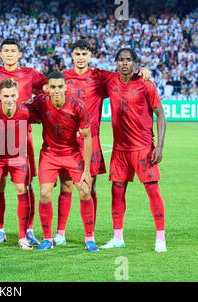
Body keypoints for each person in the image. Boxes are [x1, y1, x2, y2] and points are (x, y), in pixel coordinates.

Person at [52, 39, 152, 246]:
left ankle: (91, 235)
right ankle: (60, 233)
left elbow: (124, 75)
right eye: (77, 54)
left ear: (90, 55)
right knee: (66, 186)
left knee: (89, 188)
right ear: (72, 56)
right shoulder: (63, 77)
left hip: (91, 139)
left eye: (84, 54)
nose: (81, 58)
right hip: (68, 141)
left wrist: (142, 70)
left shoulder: (100, 77)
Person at [0, 38, 47, 245]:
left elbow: (48, 87)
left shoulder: (30, 74)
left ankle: (29, 229)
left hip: (24, 136)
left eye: (13, 50)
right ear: (0, 53)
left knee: (26, 185)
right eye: (5, 50)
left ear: (19, 54)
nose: (9, 54)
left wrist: (36, 102)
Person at [100, 48, 167, 253]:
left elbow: (161, 115)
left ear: (135, 62)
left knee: (153, 191)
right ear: (116, 63)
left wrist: (160, 146)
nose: (125, 63)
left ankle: (160, 238)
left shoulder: (146, 84)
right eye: (121, 60)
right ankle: (118, 237)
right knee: (117, 192)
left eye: (129, 60)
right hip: (120, 150)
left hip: (143, 148)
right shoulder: (111, 82)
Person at [27, 71, 98, 252]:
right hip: (50, 154)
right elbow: (22, 108)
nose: (57, 90)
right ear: (47, 89)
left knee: (84, 190)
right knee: (44, 193)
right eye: (53, 87)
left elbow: (88, 137)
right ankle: (47, 238)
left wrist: (87, 169)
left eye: (60, 87)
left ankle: (90, 238)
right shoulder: (41, 102)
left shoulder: (78, 106)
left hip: (72, 153)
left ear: (66, 87)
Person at [0, 79, 36, 250]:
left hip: (18, 156)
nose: (9, 99)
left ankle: (22, 236)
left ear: (18, 95)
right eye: (5, 96)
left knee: (22, 190)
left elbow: (47, 116)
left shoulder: (26, 111)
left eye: (12, 95)